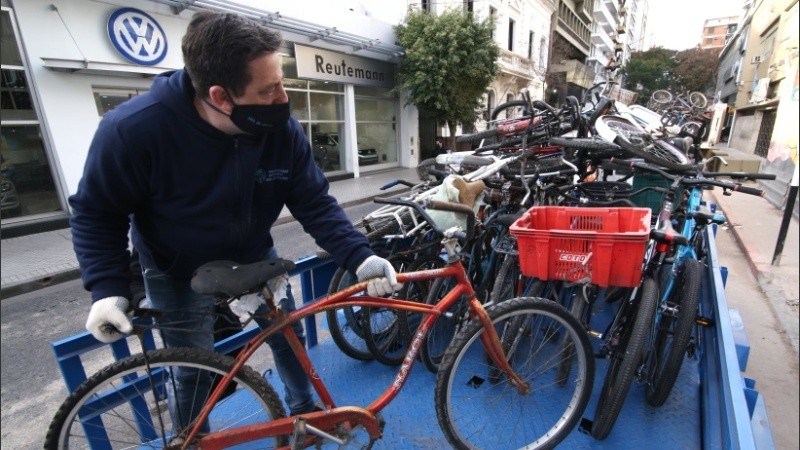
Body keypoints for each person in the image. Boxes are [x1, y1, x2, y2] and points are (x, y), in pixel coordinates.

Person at [69, 10, 401, 429]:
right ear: (221, 97)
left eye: (282, 82)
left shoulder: (281, 129)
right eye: (269, 90)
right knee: (192, 369)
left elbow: (313, 201)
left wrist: (360, 257)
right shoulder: (133, 130)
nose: (283, 98)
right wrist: (107, 289)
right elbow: (97, 212)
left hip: (253, 254)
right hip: (175, 269)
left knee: (288, 337)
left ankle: (305, 415)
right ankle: (190, 441)